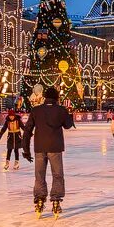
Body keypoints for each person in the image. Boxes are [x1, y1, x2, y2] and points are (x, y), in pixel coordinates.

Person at [22, 86, 75, 217]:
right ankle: (56, 201)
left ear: (45, 97)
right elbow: (68, 125)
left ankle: (40, 200)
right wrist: (69, 113)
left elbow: (27, 130)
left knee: (39, 175)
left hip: (39, 147)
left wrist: (26, 149)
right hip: (55, 147)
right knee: (57, 175)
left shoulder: (36, 110)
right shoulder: (61, 110)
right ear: (57, 97)